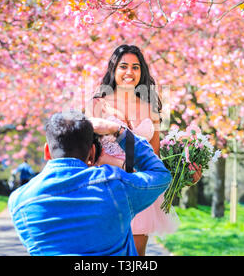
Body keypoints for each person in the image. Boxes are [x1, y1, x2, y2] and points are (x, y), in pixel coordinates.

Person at [86, 44, 201, 255]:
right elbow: (88, 152)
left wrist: (185, 173)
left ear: (142, 72)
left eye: (135, 67)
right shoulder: (98, 104)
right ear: (113, 69)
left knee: (137, 256)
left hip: (141, 189)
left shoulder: (150, 108)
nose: (129, 72)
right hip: (107, 187)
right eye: (123, 66)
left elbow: (154, 157)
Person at [8, 111, 172, 256]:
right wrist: (118, 130)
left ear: (47, 151)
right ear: (92, 152)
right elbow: (159, 175)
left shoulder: (19, 201)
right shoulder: (116, 185)